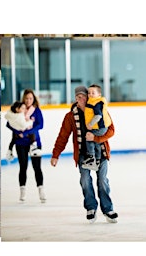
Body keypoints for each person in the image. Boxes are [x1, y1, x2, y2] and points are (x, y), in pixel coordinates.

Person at [50, 86, 118, 224]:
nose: (81, 99)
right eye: (78, 97)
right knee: (85, 181)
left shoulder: (99, 109)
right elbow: (63, 136)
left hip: (102, 153)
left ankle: (108, 209)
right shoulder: (70, 116)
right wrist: (55, 154)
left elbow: (111, 130)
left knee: (102, 181)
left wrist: (96, 139)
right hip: (83, 154)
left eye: (83, 96)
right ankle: (91, 208)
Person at [6, 89, 46, 203]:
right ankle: (22, 191)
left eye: (31, 98)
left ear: (33, 99)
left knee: (37, 167)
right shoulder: (18, 109)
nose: (28, 101)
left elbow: (41, 125)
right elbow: (8, 123)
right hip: (21, 143)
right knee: (23, 167)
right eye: (26, 98)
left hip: (34, 142)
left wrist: (27, 132)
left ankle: (41, 190)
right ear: (23, 98)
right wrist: (17, 132)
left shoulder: (36, 110)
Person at [82, 84, 112, 171]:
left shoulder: (96, 103)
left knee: (89, 137)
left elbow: (98, 116)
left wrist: (90, 124)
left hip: (100, 128)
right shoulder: (92, 102)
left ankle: (91, 158)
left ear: (99, 95)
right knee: (96, 142)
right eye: (89, 93)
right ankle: (97, 160)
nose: (90, 94)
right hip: (100, 128)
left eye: (93, 93)